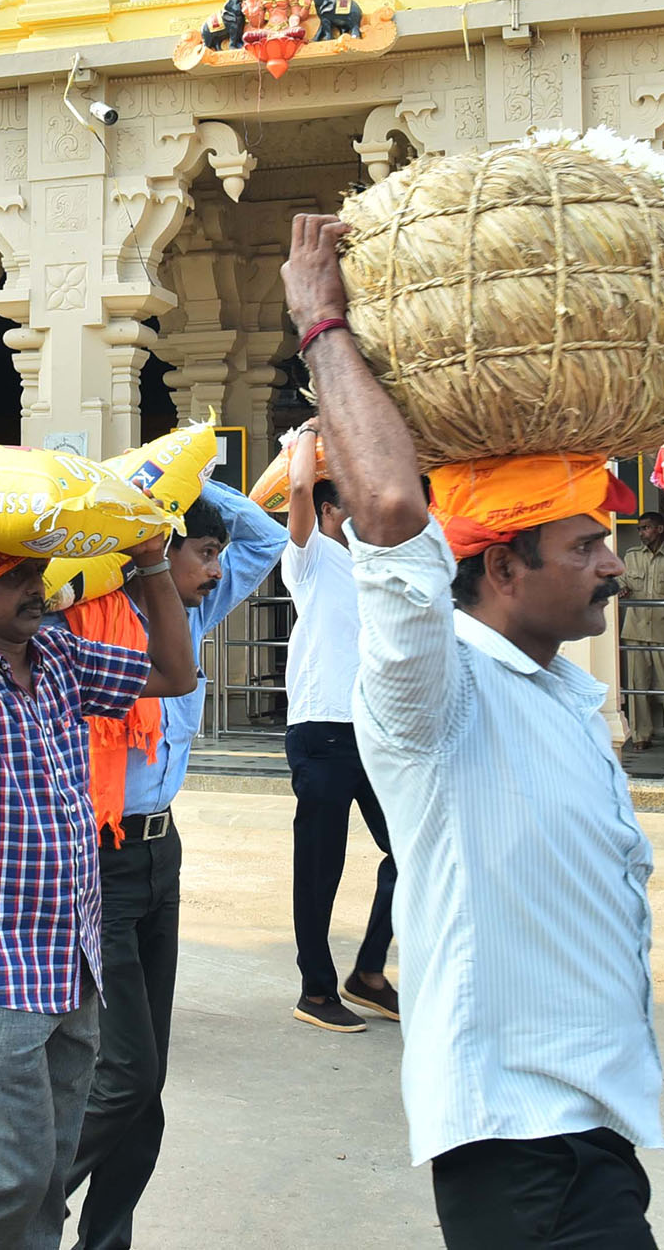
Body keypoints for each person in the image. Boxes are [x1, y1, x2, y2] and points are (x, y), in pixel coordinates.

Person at [285, 214, 664, 1247]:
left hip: (602, 1118)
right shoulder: (433, 698)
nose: (612, 564)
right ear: (498, 566)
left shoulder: (567, 702)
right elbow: (399, 513)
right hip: (509, 1134)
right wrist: (323, 324)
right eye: (585, 544)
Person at [0, 458, 195, 1250]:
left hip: (72, 960)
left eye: (38, 574)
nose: (39, 590)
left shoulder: (61, 660)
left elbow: (176, 670)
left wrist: (152, 563)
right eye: (17, 579)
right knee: (17, 1169)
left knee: (50, 1180)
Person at [64, 468, 283, 1250]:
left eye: (216, 554)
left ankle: (104, 1240)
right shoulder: (83, 616)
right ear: (155, 550)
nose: (218, 568)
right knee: (124, 1074)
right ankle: (22, 1200)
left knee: (142, 1085)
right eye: (203, 552)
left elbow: (271, 539)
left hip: (162, 853)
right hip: (98, 853)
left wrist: (194, 479)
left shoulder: (187, 612)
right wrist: (150, 519)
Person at [279, 422, 401, 1035]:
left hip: (375, 732)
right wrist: (305, 435)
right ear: (331, 511)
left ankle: (369, 972)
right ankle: (315, 988)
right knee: (320, 866)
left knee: (411, 851)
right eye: (352, 502)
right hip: (322, 730)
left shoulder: (372, 567)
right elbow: (298, 488)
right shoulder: (311, 557)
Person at [619, 509, 664, 751]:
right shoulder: (630, 556)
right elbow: (622, 582)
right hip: (635, 628)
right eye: (640, 528)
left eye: (646, 528)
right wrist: (620, 588)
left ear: (659, 529)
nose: (642, 532)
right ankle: (641, 735)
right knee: (637, 684)